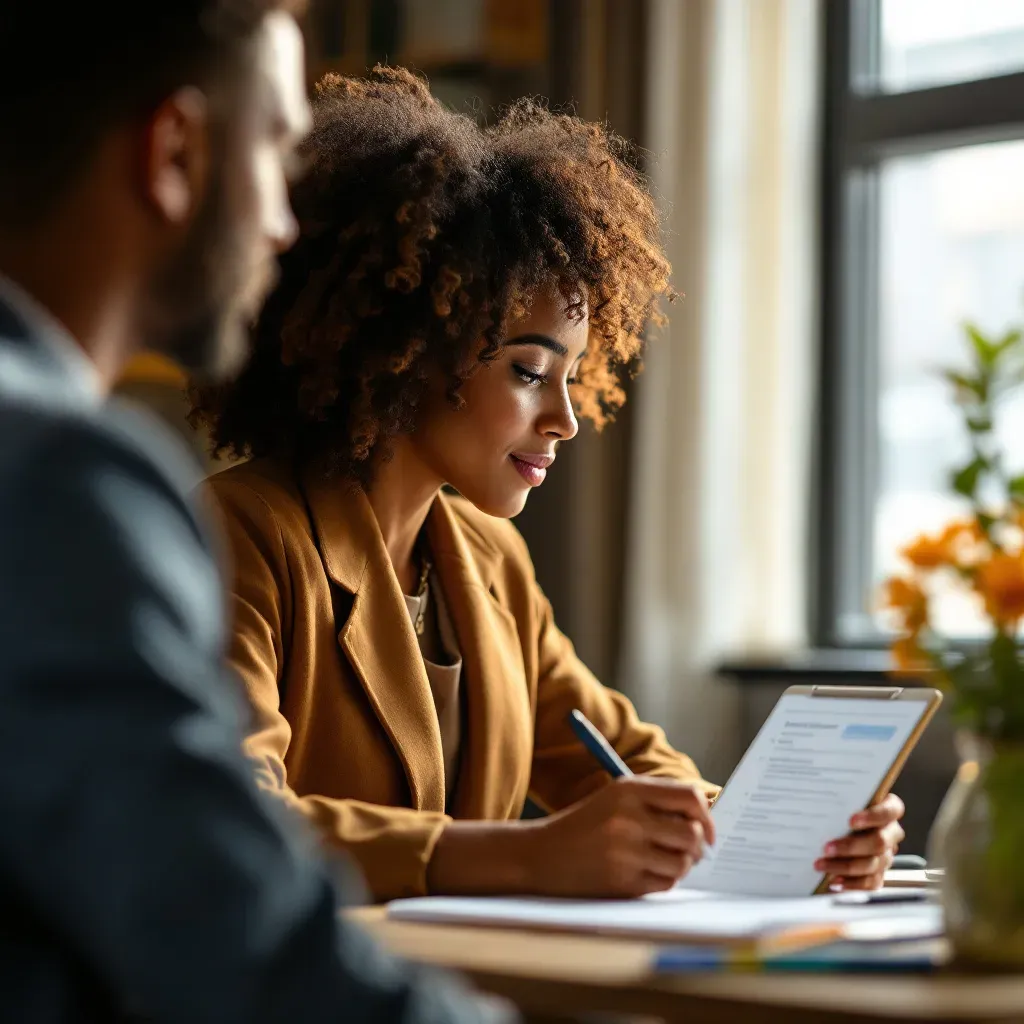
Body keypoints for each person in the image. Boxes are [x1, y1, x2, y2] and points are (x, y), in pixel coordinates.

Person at [191, 67, 906, 904]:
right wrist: (527, 858)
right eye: (530, 371)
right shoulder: (238, 537)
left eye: (574, 376)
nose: (567, 417)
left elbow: (625, 760)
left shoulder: (489, 563)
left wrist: (798, 839)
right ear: (409, 351)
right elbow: (228, 821)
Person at [0, 7, 504, 1023]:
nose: (284, 223)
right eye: (277, 149)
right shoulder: (59, 482)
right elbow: (247, 949)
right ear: (174, 151)